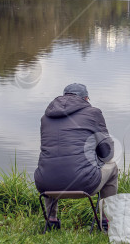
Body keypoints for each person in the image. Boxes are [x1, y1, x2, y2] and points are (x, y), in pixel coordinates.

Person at [34, 83, 119, 231]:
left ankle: (51, 221)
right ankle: (106, 221)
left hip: (45, 184)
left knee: (50, 166)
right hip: (84, 184)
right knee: (112, 166)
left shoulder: (45, 117)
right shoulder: (93, 113)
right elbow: (107, 152)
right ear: (86, 98)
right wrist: (97, 159)